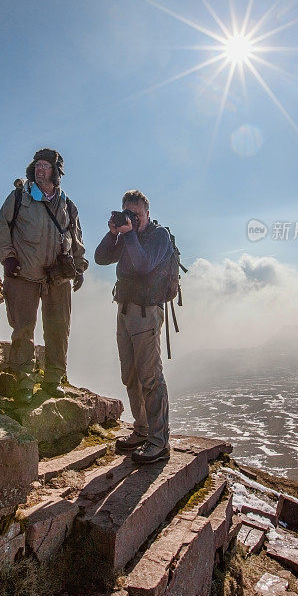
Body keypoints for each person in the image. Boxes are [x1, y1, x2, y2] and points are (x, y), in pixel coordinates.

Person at [0, 148, 88, 402]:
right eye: (37, 165)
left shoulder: (67, 204)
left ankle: (53, 379)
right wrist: (8, 258)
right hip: (24, 273)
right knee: (23, 329)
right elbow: (1, 230)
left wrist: (79, 267)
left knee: (58, 329)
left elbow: (75, 238)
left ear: (56, 173)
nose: (39, 169)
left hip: (58, 278)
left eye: (45, 165)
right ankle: (24, 381)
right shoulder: (19, 197)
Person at [95, 189, 172, 464]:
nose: (133, 218)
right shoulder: (128, 235)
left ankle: (159, 441)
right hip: (124, 310)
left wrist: (128, 234)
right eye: (128, 212)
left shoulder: (158, 236)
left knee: (150, 376)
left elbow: (144, 265)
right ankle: (141, 430)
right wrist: (114, 233)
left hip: (147, 312)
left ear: (147, 213)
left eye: (137, 214)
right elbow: (101, 258)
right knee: (130, 375)